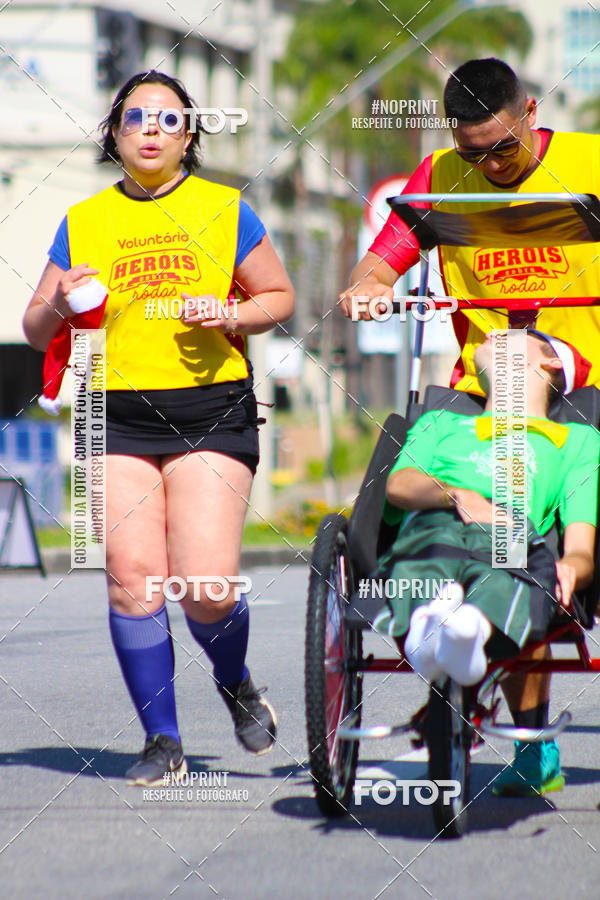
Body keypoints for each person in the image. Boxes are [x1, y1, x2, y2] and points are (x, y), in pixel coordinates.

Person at [22, 71, 295, 786]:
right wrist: (62, 297)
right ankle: (162, 739)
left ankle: (234, 683)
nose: (150, 129)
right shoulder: (83, 220)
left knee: (205, 584)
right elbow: (31, 326)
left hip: (212, 408)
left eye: (168, 119)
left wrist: (230, 313)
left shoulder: (225, 208)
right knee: (133, 582)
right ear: (113, 134)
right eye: (135, 117)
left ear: (190, 136)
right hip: (115, 412)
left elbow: (279, 296)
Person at [373, 329, 599, 796]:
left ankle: (453, 630)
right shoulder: (441, 423)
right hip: (435, 521)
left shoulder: (577, 441)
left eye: (515, 336)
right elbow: (398, 486)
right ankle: (453, 631)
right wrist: (457, 494)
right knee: (424, 560)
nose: (495, 332)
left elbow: (579, 540)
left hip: (512, 531)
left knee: (507, 573)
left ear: (550, 363)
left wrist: (572, 567)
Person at [338, 57, 600, 393]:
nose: (491, 164)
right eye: (472, 153)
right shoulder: (437, 177)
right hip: (485, 392)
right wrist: (367, 287)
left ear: (531, 113)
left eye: (504, 147)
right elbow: (377, 266)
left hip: (588, 388)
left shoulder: (591, 161)